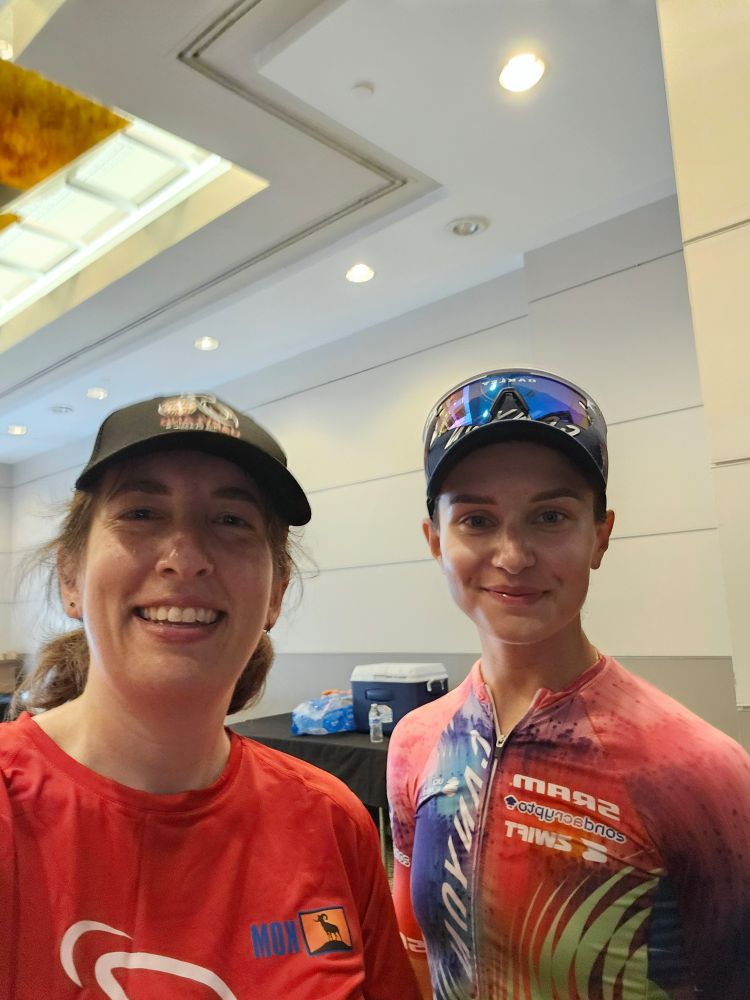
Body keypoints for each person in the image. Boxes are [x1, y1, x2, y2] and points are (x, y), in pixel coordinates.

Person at [0, 391, 420, 1000]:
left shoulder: (331, 824)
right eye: (142, 513)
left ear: (275, 594)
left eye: (231, 521)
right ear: (71, 576)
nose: (186, 559)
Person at [387, 369, 750, 1000]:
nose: (513, 554)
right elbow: (414, 951)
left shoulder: (700, 770)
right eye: (475, 520)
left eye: (550, 516)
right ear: (434, 542)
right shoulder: (416, 742)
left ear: (600, 536)